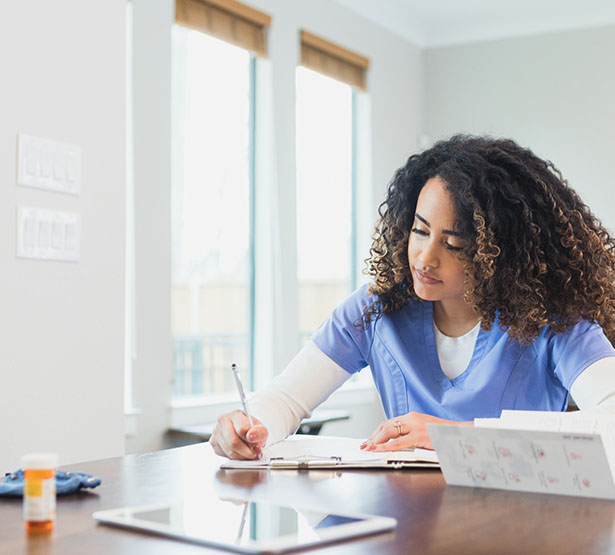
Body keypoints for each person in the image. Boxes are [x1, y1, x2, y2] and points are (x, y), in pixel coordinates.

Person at [211, 134, 615, 460]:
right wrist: (250, 426)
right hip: (410, 523)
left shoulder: (554, 320)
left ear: (499, 254)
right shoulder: (375, 309)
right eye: (420, 231)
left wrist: (451, 436)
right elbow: (286, 397)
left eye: (454, 243)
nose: (425, 257)